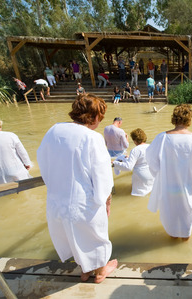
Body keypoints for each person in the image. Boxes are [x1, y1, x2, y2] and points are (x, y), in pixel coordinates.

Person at [37, 94, 117, 284]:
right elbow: (102, 174)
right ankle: (100, 272)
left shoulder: (54, 130)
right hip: (83, 201)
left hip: (57, 200)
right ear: (95, 116)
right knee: (95, 236)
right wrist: (106, 200)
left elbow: (43, 159)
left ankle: (84, 270)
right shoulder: (92, 137)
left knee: (73, 236)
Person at [146, 104, 192, 240]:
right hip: (188, 184)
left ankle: (173, 237)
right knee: (187, 211)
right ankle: (185, 240)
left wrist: (161, 171)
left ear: (174, 118)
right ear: (189, 119)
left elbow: (150, 159)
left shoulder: (162, 138)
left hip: (168, 183)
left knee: (170, 212)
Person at [113, 128, 154, 196]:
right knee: (149, 192)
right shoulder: (151, 146)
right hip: (151, 174)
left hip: (140, 176)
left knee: (138, 194)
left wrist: (115, 163)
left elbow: (128, 167)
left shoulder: (135, 150)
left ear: (135, 141)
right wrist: (130, 158)